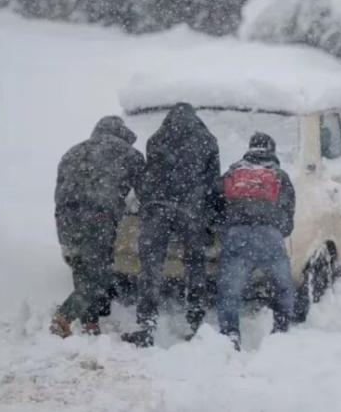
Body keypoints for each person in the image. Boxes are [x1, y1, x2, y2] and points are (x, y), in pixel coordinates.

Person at [122, 103, 221, 348]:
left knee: (150, 268)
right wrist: (209, 218)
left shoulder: (156, 139)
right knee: (195, 266)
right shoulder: (208, 140)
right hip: (190, 211)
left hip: (157, 210)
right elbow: (213, 185)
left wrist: (151, 203)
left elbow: (148, 177)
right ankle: (196, 320)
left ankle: (146, 325)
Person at [51, 116, 145, 337]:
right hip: (97, 218)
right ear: (121, 133)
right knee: (101, 275)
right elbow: (145, 190)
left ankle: (90, 324)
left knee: (82, 269)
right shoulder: (127, 153)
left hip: (65, 218)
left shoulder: (72, 151)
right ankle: (64, 316)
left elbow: (60, 188)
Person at [216, 132, 296, 351]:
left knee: (230, 290)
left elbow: (216, 204)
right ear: (271, 150)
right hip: (270, 236)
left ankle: (230, 334)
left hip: (237, 235)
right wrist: (277, 230)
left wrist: (227, 230)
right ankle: (281, 330)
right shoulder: (279, 175)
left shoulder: (233, 171)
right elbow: (289, 215)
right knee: (283, 286)